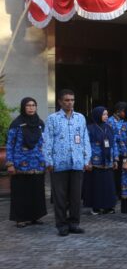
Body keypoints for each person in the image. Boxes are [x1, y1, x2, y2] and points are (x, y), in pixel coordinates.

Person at [45, 89, 91, 236]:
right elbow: (47, 141)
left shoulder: (80, 118)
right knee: (60, 197)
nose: (70, 102)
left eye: (72, 100)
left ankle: (74, 223)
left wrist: (86, 159)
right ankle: (62, 225)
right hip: (59, 163)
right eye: (66, 100)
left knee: (76, 197)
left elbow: (85, 140)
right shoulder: (52, 119)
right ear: (60, 102)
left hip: (77, 162)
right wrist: (49, 160)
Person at [6, 97, 47, 228]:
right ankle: (20, 218)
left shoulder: (40, 123)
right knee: (21, 193)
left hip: (37, 163)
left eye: (33, 105)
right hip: (20, 164)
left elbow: (44, 143)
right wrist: (10, 163)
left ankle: (35, 216)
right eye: (28, 105)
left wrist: (46, 160)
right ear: (23, 107)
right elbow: (10, 144)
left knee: (36, 191)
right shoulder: (16, 124)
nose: (31, 108)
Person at [82, 107, 118, 215]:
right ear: (97, 115)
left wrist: (115, 158)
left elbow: (114, 144)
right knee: (96, 185)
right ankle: (96, 207)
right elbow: (86, 145)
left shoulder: (110, 128)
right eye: (103, 114)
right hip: (96, 161)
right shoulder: (90, 128)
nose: (106, 117)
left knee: (108, 185)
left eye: (107, 114)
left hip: (108, 161)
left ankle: (108, 206)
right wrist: (88, 160)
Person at [107, 101, 127, 198]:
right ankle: (115, 193)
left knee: (122, 173)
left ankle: (121, 192)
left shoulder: (123, 121)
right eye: (124, 111)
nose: (125, 113)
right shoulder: (110, 121)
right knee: (116, 174)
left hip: (123, 151)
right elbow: (112, 137)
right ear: (118, 111)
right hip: (115, 152)